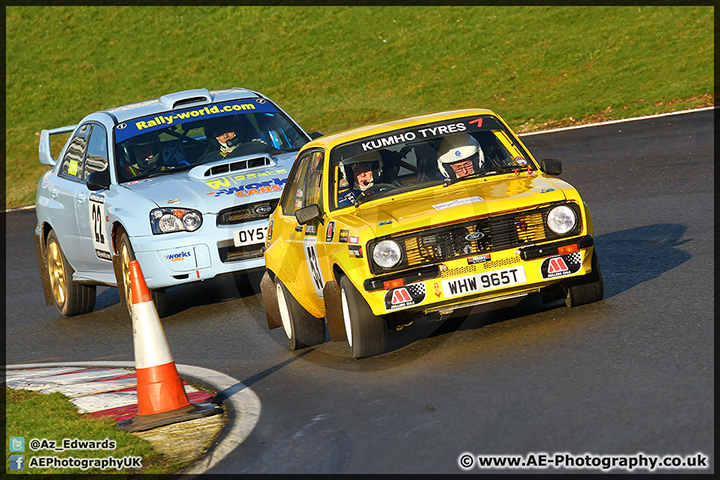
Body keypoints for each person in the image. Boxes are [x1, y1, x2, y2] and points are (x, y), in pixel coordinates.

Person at [200, 118, 269, 162]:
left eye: (228, 130)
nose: (225, 135)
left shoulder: (257, 146)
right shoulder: (212, 159)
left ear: (236, 130)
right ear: (215, 138)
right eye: (220, 133)